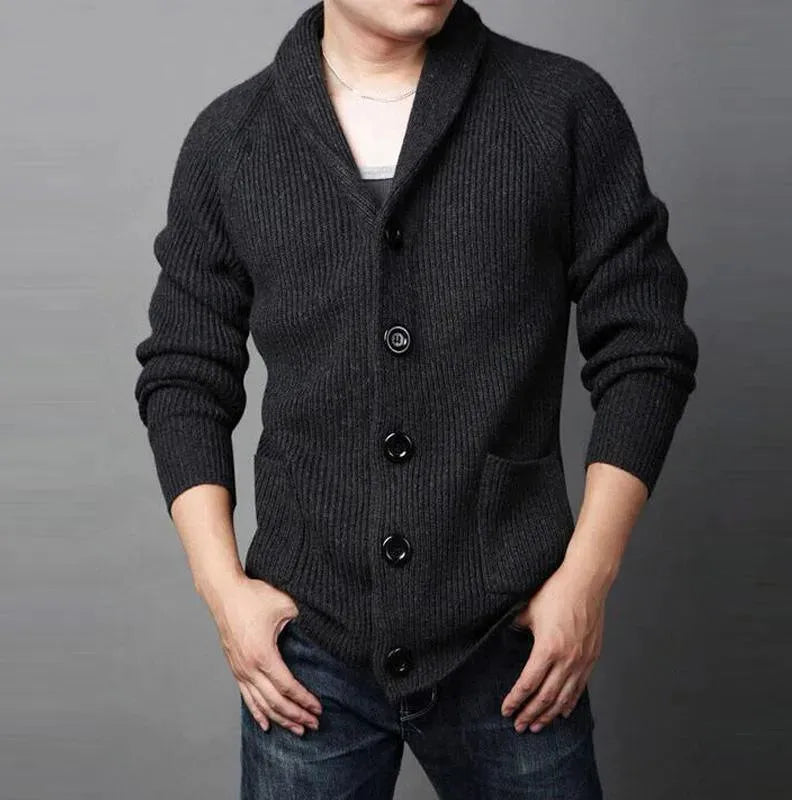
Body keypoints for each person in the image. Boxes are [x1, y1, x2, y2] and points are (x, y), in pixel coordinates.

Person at [133, 1, 699, 797]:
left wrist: (587, 580)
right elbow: (185, 372)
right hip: (309, 647)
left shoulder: (561, 109)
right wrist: (223, 592)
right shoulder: (231, 140)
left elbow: (645, 345)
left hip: (514, 638)